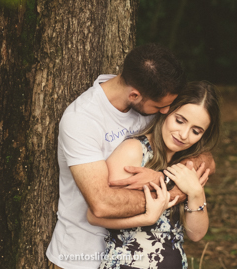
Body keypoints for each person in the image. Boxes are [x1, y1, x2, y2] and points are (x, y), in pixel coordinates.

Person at [46, 44, 215, 269]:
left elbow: (203, 154)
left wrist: (165, 177)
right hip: (80, 254)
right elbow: (101, 205)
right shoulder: (81, 120)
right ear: (134, 95)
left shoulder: (151, 100)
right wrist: (174, 191)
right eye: (161, 107)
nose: (165, 111)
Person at [89, 81, 221, 269]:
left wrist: (196, 193)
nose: (184, 135)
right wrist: (146, 219)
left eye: (196, 131)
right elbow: (94, 215)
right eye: (180, 121)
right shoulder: (134, 151)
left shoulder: (187, 164)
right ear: (167, 111)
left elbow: (196, 234)